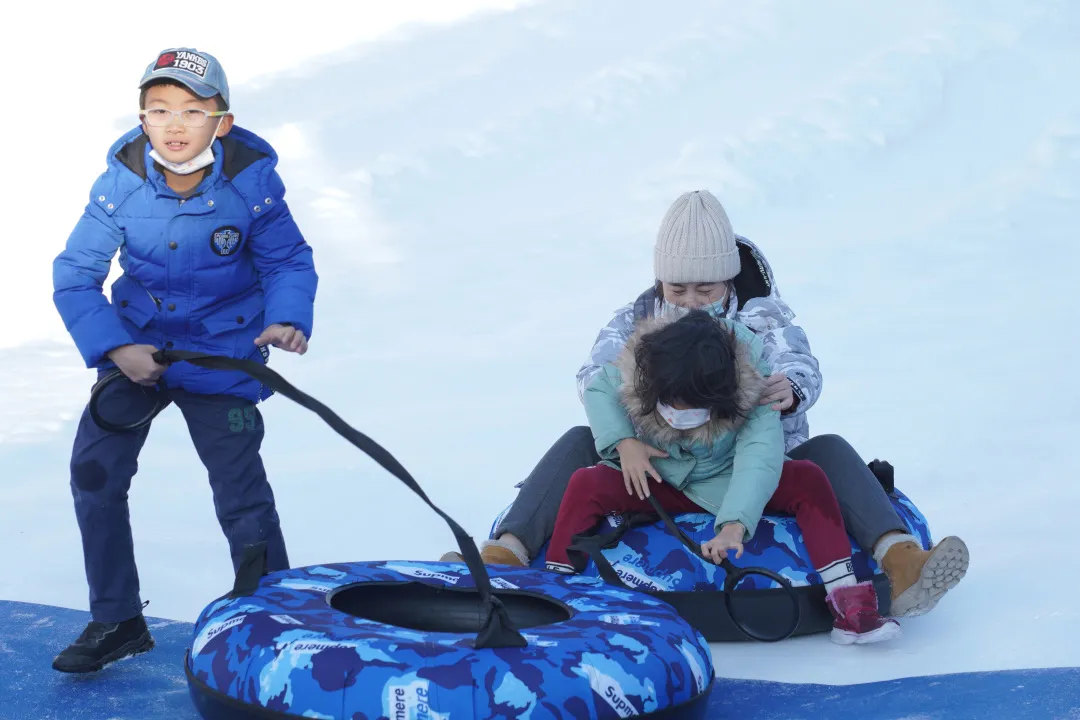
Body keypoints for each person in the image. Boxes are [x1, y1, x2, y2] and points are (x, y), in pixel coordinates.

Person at [444, 189, 968, 620]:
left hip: (754, 462)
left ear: (728, 279)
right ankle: (504, 556)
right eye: (679, 288)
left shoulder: (762, 317)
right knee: (580, 444)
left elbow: (801, 361)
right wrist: (624, 438)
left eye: (706, 288)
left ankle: (900, 562)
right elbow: (593, 377)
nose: (692, 301)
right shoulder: (636, 321)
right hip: (655, 464)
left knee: (828, 453)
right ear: (660, 281)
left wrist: (791, 388)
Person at [50, 47, 318, 673]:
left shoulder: (251, 183)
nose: (174, 123)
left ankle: (266, 615)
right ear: (142, 119)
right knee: (94, 471)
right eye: (159, 109)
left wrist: (286, 316)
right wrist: (116, 347)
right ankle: (117, 618)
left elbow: (288, 259)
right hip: (138, 345)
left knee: (239, 487)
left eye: (193, 111)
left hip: (224, 351)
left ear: (222, 122)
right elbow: (75, 275)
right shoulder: (119, 184)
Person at [547, 309, 899, 644]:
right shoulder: (639, 367)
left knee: (808, 478)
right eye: (670, 407)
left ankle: (848, 600)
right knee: (586, 483)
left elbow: (758, 459)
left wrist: (734, 524)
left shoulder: (755, 388)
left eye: (694, 410)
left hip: (726, 477)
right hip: (657, 473)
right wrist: (625, 443)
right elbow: (598, 391)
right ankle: (553, 592)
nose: (677, 418)